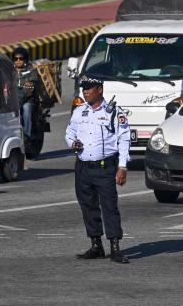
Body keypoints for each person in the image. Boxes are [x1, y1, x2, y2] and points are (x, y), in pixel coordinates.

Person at [65, 75, 131, 264]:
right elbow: (69, 133)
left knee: (109, 206)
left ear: (99, 89)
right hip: (83, 168)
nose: (85, 91)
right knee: (87, 206)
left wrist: (122, 166)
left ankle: (115, 248)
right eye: (83, 87)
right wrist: (73, 143)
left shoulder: (114, 112)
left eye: (89, 87)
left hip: (104, 167)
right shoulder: (80, 111)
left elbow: (124, 138)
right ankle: (96, 245)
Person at [13, 47, 38, 138]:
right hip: (13, 99)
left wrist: (18, 103)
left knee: (26, 108)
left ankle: (27, 134)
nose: (18, 61)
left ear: (26, 59)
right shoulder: (10, 71)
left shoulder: (31, 71)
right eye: (16, 59)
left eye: (21, 59)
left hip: (28, 99)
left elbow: (29, 89)